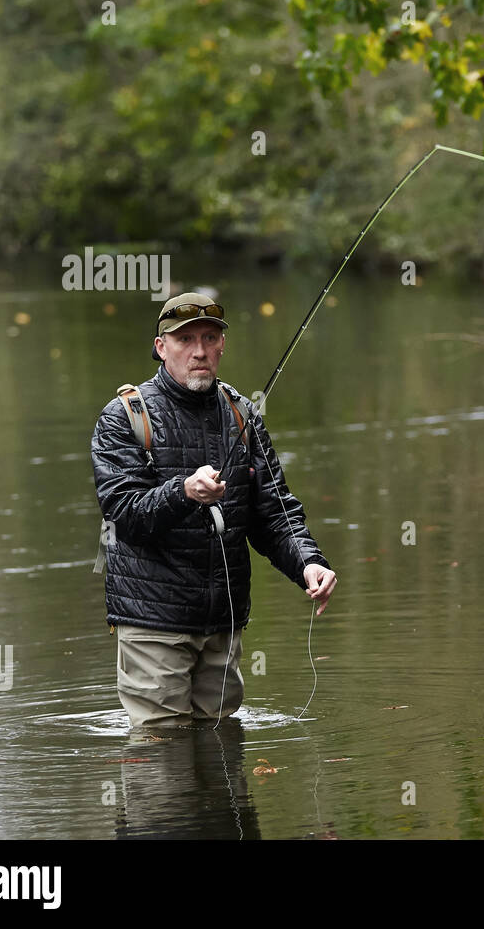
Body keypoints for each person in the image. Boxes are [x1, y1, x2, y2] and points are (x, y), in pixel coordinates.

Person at [91, 291, 337, 727]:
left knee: (221, 746)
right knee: (163, 759)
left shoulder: (242, 416)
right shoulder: (124, 417)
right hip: (153, 618)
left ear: (223, 345)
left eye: (209, 338)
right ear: (161, 347)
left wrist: (309, 564)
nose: (199, 351)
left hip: (223, 619)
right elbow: (124, 515)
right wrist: (183, 492)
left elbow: (275, 514)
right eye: (185, 340)